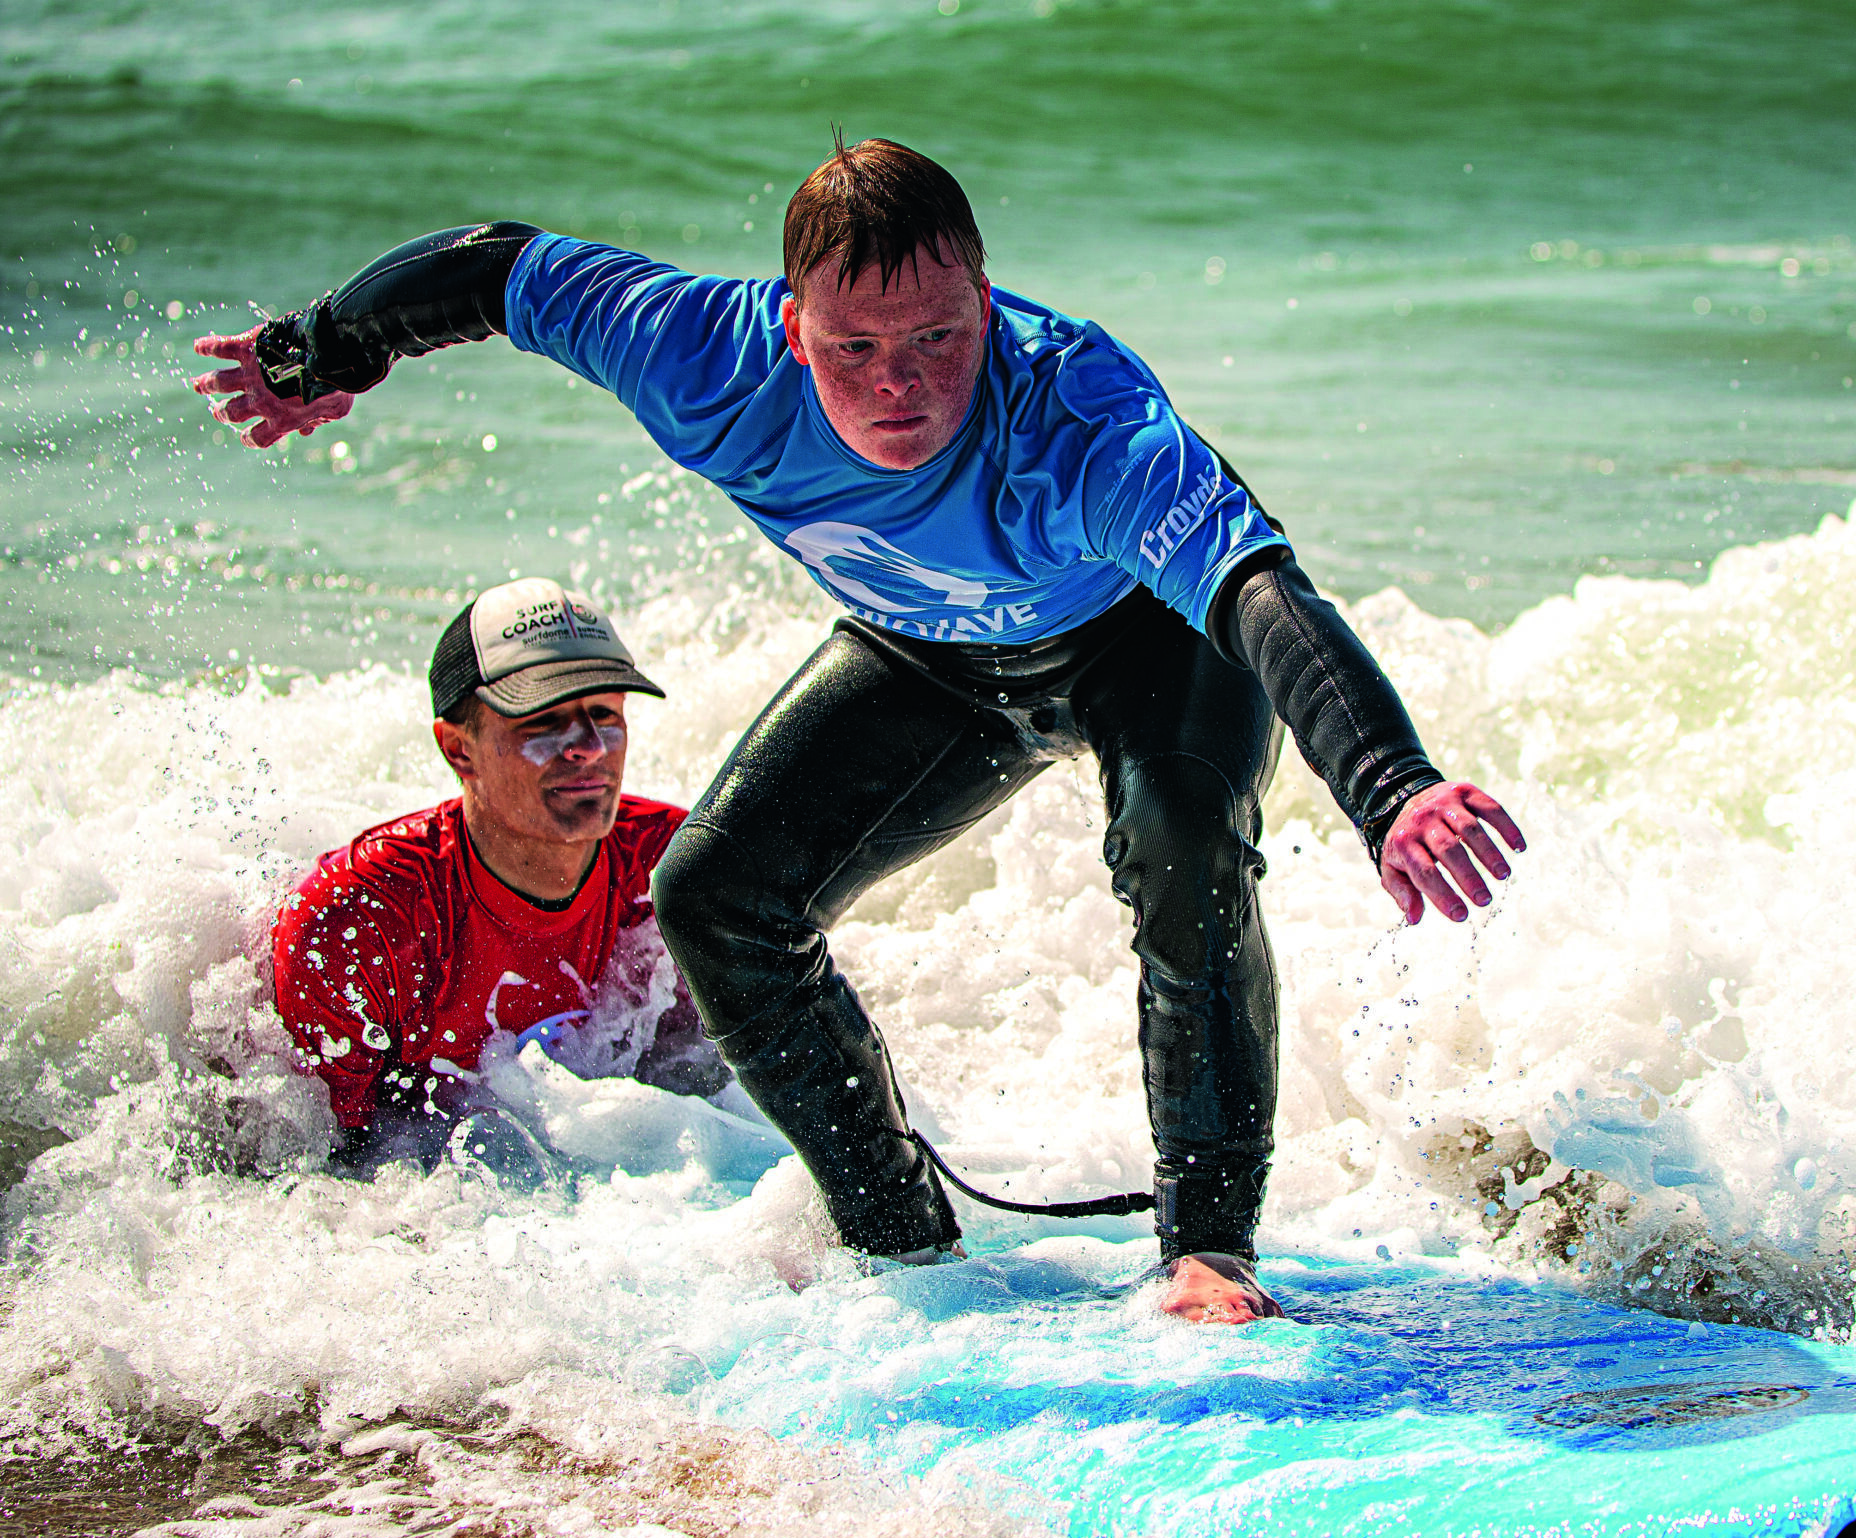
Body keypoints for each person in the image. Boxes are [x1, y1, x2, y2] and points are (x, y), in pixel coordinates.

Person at [197, 137, 1524, 1324]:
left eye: (940, 340)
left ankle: (1210, 1249)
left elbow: (1258, 597)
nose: (903, 387)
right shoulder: (697, 353)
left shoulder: (1080, 419)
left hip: (1152, 647)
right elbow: (498, 274)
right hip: (931, 655)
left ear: (985, 312)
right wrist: (330, 346)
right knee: (716, 896)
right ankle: (904, 1246)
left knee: (1183, 846)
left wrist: (1392, 784)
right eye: (855, 350)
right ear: (790, 329)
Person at [271, 577, 730, 1174]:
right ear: (458, 749)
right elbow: (322, 1173)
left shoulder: (679, 868)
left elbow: (715, 1085)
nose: (589, 747)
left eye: (603, 713)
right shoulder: (358, 923)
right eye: (545, 721)